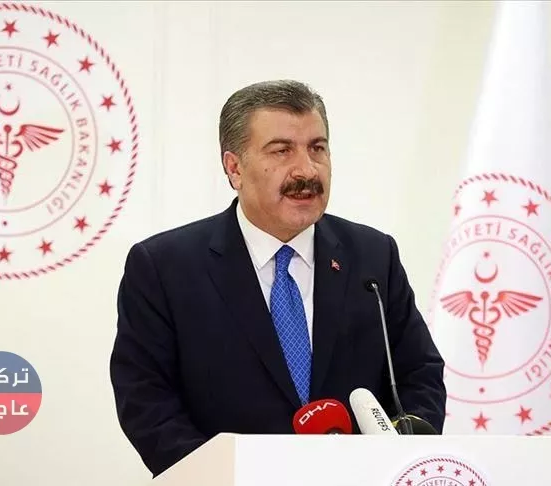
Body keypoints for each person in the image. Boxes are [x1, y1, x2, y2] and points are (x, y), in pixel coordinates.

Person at [109, 80, 446, 477]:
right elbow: (146, 399)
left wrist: (395, 463)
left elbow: (419, 375)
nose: (307, 169)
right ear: (234, 168)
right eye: (282, 150)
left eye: (317, 148)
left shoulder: (373, 256)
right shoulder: (165, 266)